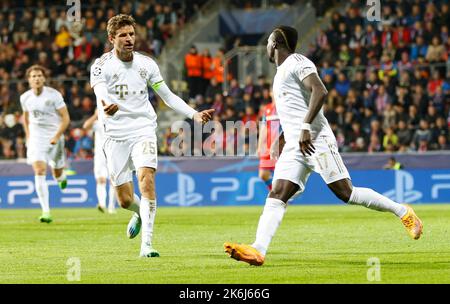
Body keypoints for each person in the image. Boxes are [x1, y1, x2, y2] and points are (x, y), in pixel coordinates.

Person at [224, 26, 423, 266]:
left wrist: (306, 127)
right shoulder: (279, 74)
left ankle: (403, 212)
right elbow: (295, 112)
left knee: (346, 193)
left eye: (268, 41)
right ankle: (258, 249)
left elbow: (320, 90)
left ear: (275, 42)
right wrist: (284, 138)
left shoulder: (298, 61)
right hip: (295, 145)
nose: (266, 46)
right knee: (277, 193)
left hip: (317, 140)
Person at [90, 14, 214, 258]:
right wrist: (106, 105)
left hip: (143, 129)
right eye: (123, 35)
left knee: (146, 179)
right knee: (124, 199)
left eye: (132, 34)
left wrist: (194, 114)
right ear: (111, 38)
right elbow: (100, 91)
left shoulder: (147, 64)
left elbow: (167, 96)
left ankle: (146, 245)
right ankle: (138, 211)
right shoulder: (101, 65)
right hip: (114, 134)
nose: (129, 39)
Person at [20, 65, 70, 223]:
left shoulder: (54, 95)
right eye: (33, 76)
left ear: (44, 78)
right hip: (36, 137)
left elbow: (66, 118)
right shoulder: (25, 97)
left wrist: (57, 135)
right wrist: (28, 135)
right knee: (40, 170)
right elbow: (26, 118)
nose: (36, 78)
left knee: (57, 173)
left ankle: (62, 177)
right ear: (29, 80)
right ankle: (46, 211)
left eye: (39, 75)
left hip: (55, 136)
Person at [82, 110, 117, 214]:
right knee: (101, 180)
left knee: (113, 181)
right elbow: (85, 126)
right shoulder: (98, 124)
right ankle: (102, 204)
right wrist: (95, 115)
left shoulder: (114, 122)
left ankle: (111, 207)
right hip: (100, 156)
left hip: (112, 154)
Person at [257, 100, 281, 190]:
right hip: (268, 146)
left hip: (282, 146)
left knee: (282, 174)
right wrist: (260, 146)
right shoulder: (267, 109)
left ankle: (283, 195)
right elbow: (263, 128)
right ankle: (274, 191)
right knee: (263, 174)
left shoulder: (285, 106)